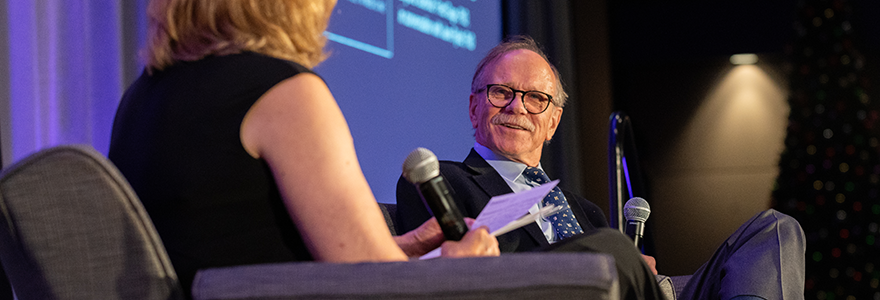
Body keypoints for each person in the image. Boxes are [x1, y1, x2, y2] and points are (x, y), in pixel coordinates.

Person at [108, 0, 499, 295]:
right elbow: (378, 285)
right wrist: (454, 269)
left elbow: (225, 245)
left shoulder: (139, 97)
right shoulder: (285, 92)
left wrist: (404, 247)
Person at [396, 36, 807, 300]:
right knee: (612, 248)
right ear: (474, 107)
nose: (517, 107)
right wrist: (619, 260)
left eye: (535, 98)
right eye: (501, 92)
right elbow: (446, 280)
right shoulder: (440, 182)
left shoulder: (583, 209)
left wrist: (635, 272)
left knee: (773, 230)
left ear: (553, 123)